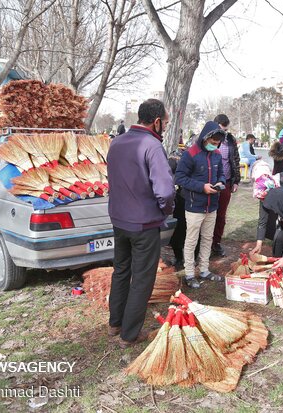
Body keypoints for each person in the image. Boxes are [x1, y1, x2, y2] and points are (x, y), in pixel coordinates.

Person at [107, 99, 175, 348]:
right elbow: (166, 191)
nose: (166, 127)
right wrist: (165, 211)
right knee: (143, 279)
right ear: (156, 121)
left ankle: (115, 324)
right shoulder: (152, 146)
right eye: (165, 123)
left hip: (119, 220)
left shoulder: (117, 142)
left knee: (121, 271)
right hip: (144, 223)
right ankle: (129, 334)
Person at [175, 121, 227, 288]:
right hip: (194, 206)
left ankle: (204, 269)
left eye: (217, 143)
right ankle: (189, 273)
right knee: (191, 241)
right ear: (205, 138)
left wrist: (221, 183)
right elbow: (180, 178)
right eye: (212, 143)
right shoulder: (190, 154)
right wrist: (201, 187)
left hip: (212, 206)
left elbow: (221, 174)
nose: (215, 145)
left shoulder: (217, 154)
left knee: (207, 239)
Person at [211, 114, 241, 257]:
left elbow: (235, 159)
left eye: (226, 130)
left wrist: (236, 181)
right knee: (206, 216)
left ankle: (216, 243)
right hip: (209, 184)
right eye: (222, 130)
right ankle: (202, 244)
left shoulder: (230, 140)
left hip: (226, 183)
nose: (224, 133)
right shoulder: (206, 139)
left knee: (221, 216)